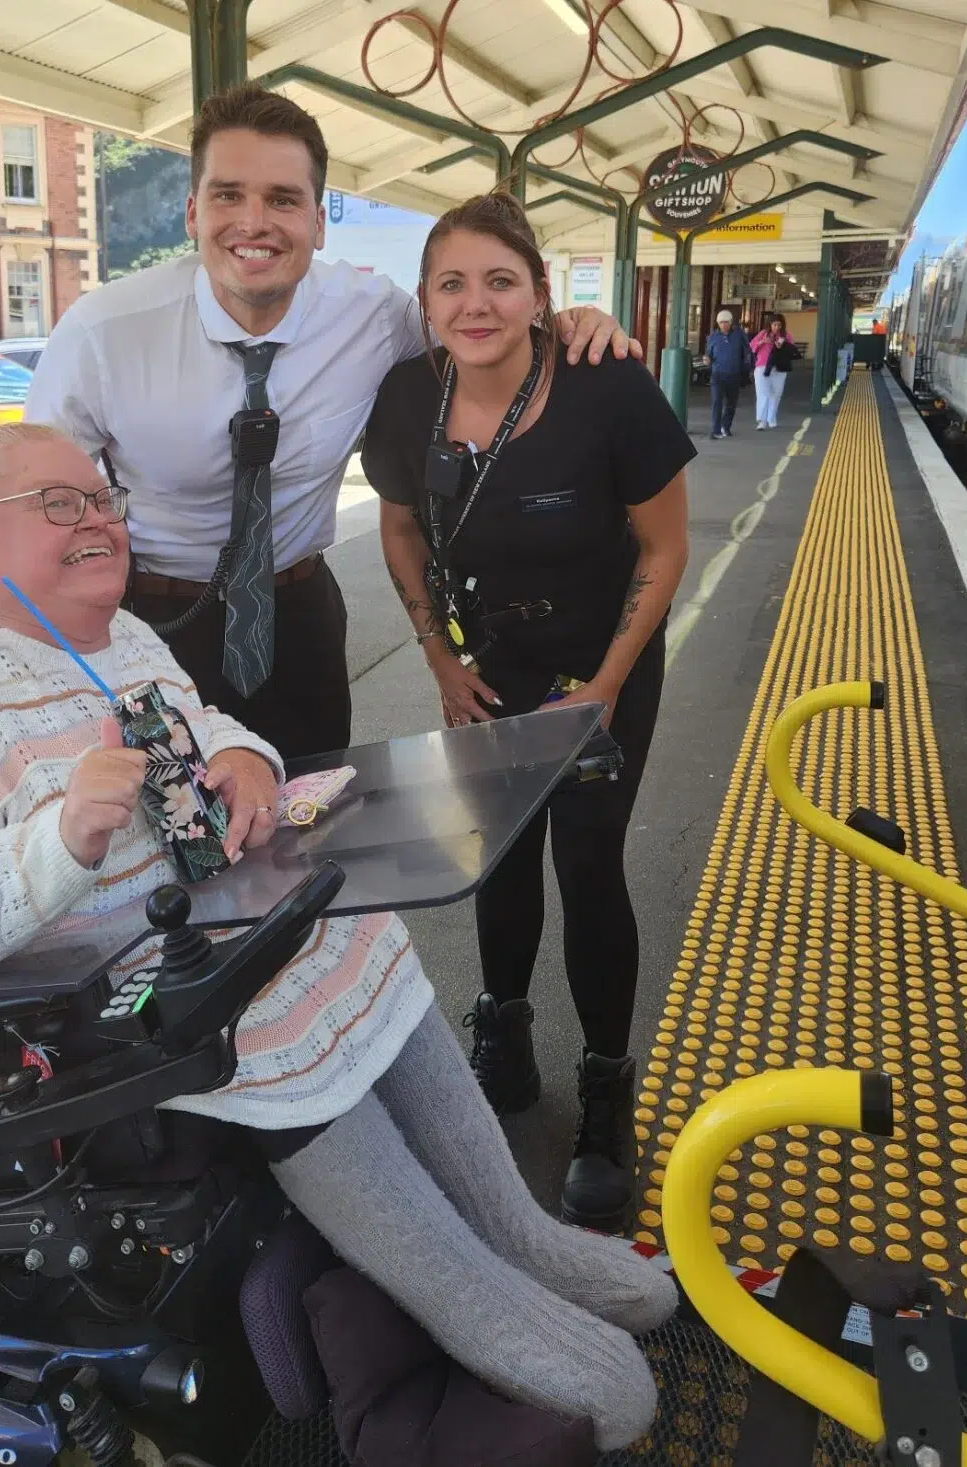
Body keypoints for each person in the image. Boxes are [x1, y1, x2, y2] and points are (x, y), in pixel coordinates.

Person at [0, 422, 677, 1450]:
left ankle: (521, 1236)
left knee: (354, 922)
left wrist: (248, 761)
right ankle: (468, 1288)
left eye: (101, 497)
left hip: (231, 927)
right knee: (274, 1007)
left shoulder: (119, 640)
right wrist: (52, 843)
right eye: (56, 504)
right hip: (144, 1011)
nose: (96, 520)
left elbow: (208, 725)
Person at [25, 84, 638, 763]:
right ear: (193, 212)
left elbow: (477, 331)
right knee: (174, 836)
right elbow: (30, 507)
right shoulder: (102, 334)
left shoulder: (375, 315)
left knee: (312, 819)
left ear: (319, 222)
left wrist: (567, 328)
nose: (254, 222)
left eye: (283, 199)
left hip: (301, 619)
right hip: (156, 618)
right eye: (229, 195)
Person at [361, 195, 692, 1234]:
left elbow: (665, 548)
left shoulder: (608, 386)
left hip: (605, 666)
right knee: (497, 855)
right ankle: (503, 1033)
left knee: (589, 866)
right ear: (425, 302)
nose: (476, 302)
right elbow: (404, 530)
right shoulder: (408, 396)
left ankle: (604, 1089)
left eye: (500, 280)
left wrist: (602, 689)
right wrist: (440, 659)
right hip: (487, 671)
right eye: (452, 282)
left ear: (542, 297)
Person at [704, 307, 752, 440]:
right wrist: (707, 359)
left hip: (734, 374)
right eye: (721, 322)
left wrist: (747, 369)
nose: (724, 325)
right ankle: (715, 430)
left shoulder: (739, 334)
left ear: (731, 322)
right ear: (717, 323)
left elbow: (747, 352)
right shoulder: (713, 337)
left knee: (731, 403)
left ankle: (726, 426)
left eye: (726, 322)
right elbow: (709, 353)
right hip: (718, 374)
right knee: (717, 402)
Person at [750, 312, 796, 430]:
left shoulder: (786, 335)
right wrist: (762, 342)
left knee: (776, 393)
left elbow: (792, 351)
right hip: (762, 367)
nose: (776, 328)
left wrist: (782, 346)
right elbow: (751, 346)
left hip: (779, 368)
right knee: (762, 393)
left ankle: (772, 418)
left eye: (779, 325)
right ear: (770, 324)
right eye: (774, 325)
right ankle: (762, 420)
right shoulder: (763, 334)